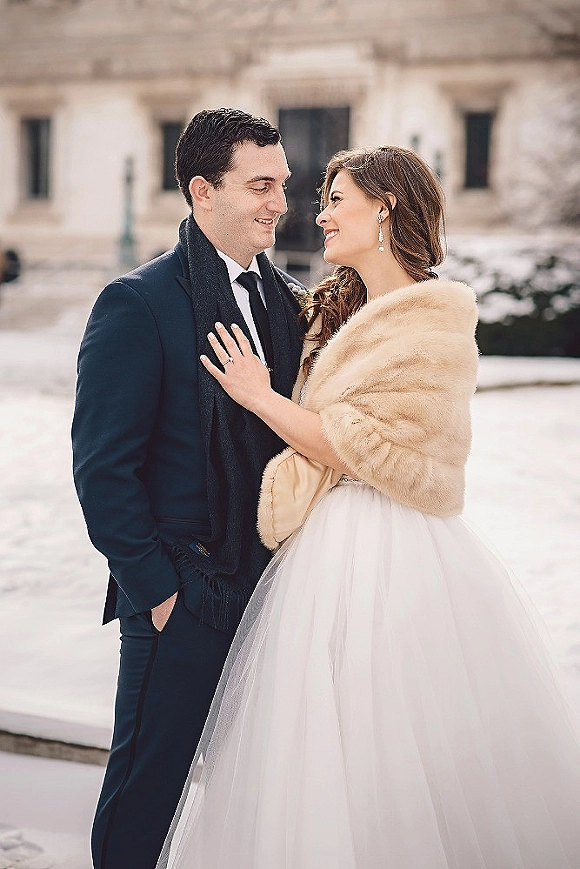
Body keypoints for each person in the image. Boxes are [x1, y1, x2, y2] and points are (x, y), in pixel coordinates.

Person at [157, 145, 580, 869]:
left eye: (336, 199)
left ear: (384, 209)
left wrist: (259, 396)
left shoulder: (435, 322)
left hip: (396, 549)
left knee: (393, 733)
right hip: (319, 545)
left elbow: (362, 450)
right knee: (315, 742)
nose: (318, 214)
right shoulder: (332, 308)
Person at [72, 108, 305, 869]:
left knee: (257, 791)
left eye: (283, 185)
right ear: (203, 191)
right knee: (147, 795)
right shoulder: (138, 302)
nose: (280, 203)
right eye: (260, 186)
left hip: (269, 592)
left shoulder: (287, 302)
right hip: (181, 593)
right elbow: (103, 468)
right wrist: (157, 591)